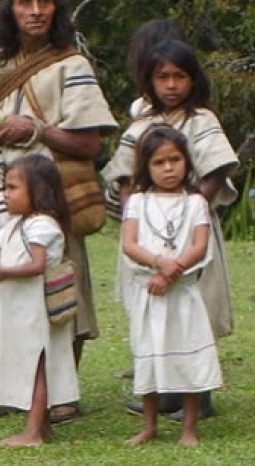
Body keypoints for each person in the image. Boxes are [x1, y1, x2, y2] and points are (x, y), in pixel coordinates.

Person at [0, 0, 118, 423]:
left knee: (59, 291)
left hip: (53, 195)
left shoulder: (72, 65)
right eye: (25, 1)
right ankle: (9, 390)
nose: (36, 11)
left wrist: (35, 131)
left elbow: (88, 142)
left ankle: (63, 396)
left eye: (44, 1)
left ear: (56, 6)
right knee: (2, 288)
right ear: (11, 7)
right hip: (1, 194)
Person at [101, 38, 236, 422]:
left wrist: (193, 204)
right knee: (153, 312)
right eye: (163, 77)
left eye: (180, 76)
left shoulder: (202, 121)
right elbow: (125, 173)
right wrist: (135, 213)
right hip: (147, 233)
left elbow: (216, 169)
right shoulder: (142, 124)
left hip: (192, 232)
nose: (172, 85)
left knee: (194, 311)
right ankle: (161, 391)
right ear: (150, 80)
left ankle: (199, 392)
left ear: (193, 80)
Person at [120, 126, 222, 447]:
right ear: (146, 167)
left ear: (186, 162)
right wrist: (157, 263)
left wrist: (170, 272)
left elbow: (199, 246)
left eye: (175, 160)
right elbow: (129, 243)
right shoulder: (137, 201)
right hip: (148, 294)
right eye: (159, 162)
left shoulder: (196, 203)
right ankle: (150, 426)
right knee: (148, 356)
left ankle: (189, 428)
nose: (168, 168)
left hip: (182, 294)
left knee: (187, 357)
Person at [0, 155, 78, 447]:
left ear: (38, 191)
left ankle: (33, 430)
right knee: (28, 363)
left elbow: (37, 265)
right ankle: (43, 425)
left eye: (12, 188)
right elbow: (13, 253)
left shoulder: (43, 225)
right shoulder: (13, 225)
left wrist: (3, 271)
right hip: (17, 310)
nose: (5, 194)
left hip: (35, 311)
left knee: (37, 365)